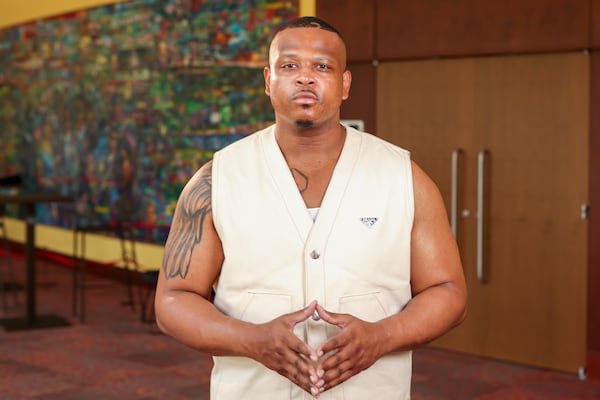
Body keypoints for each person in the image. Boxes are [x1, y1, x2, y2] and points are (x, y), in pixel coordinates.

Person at [155, 16, 467, 399]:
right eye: (290, 66)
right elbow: (173, 299)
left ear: (345, 84)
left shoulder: (403, 177)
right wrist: (251, 339)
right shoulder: (216, 180)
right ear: (268, 81)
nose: (305, 77)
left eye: (322, 66)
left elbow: (448, 290)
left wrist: (384, 336)